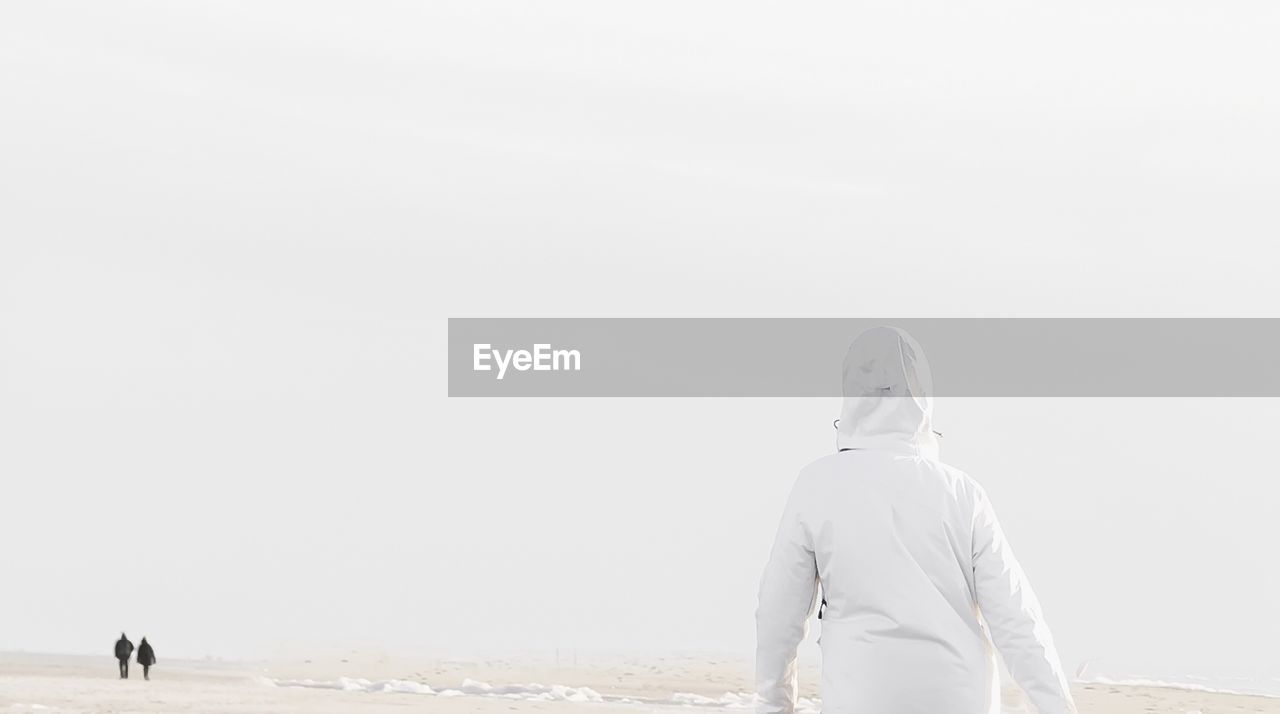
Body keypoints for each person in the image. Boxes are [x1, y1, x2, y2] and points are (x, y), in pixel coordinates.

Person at [755, 327, 1076, 714]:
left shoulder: (816, 485)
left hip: (859, 700)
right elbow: (1018, 621)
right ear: (922, 397)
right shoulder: (963, 493)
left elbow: (777, 617)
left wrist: (774, 706)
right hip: (960, 699)